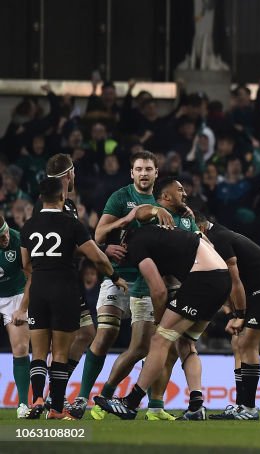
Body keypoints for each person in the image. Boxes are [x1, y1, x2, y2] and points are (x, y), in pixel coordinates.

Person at [93, 224, 231, 421]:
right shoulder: (158, 236)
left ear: (123, 241)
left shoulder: (136, 243)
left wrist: (159, 321)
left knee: (159, 340)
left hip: (203, 279)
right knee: (186, 344)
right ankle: (196, 406)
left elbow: (159, 291)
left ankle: (130, 403)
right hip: (221, 280)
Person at [84, 154, 183, 421]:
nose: (143, 173)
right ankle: (86, 397)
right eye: (138, 169)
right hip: (118, 275)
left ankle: (155, 406)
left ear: (156, 173)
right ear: (131, 173)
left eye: (148, 169)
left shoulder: (165, 201)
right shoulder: (120, 197)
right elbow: (98, 235)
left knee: (158, 345)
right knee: (106, 335)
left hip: (150, 279)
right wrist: (111, 240)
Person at [20, 177, 127, 420]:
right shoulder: (72, 225)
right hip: (64, 291)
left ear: (40, 198)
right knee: (59, 353)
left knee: (37, 352)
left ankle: (36, 399)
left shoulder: (29, 225)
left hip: (38, 289)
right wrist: (115, 276)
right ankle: (56, 408)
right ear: (62, 197)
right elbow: (98, 257)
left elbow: (25, 264)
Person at [198, 214, 260, 421]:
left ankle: (249, 408)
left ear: (201, 229)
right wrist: (231, 314)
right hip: (256, 292)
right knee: (237, 343)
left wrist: (239, 315)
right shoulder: (215, 237)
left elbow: (234, 281)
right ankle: (241, 405)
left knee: (247, 343)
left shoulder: (218, 240)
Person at [32, 154, 97, 417]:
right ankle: (50, 398)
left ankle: (51, 395)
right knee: (54, 344)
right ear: (70, 174)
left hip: (65, 280)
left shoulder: (66, 204)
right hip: (55, 283)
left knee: (86, 333)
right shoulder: (50, 204)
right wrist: (99, 251)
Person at [0, 215, 32, 418]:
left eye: (4, 233)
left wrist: (22, 308)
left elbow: (32, 275)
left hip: (15, 294)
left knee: (20, 346)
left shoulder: (18, 240)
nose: (5, 239)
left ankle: (22, 404)